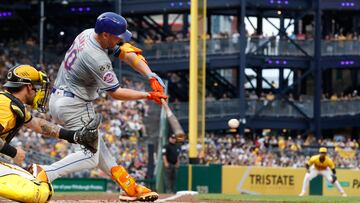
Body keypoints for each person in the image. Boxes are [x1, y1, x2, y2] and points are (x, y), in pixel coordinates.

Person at [40, 12, 167, 202]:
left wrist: (150, 75)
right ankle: (44, 173)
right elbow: (115, 93)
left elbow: (126, 52)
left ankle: (129, 187)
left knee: (99, 151)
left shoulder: (89, 33)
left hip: (61, 100)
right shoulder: (96, 57)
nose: (120, 40)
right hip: (75, 105)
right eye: (117, 36)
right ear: (106, 34)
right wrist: (148, 95)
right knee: (90, 156)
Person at [0, 65, 100, 202]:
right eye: (37, 87)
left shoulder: (10, 103)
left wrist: (74, 136)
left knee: (42, 188)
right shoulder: (5, 105)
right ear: (29, 87)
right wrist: (13, 152)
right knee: (39, 190)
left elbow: (39, 125)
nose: (38, 92)